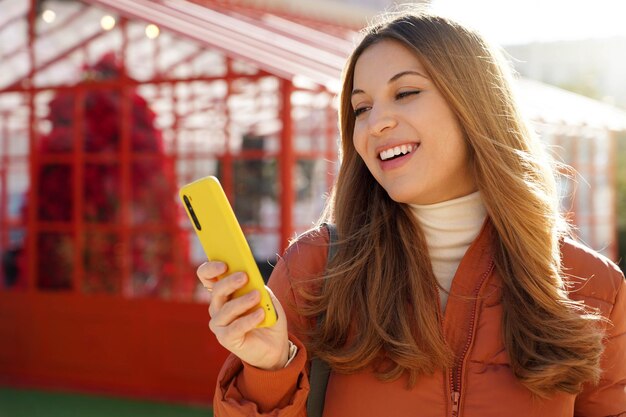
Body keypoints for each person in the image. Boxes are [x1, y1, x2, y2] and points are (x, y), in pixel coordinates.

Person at [197, 6, 626, 417]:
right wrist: (270, 368)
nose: (375, 122)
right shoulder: (315, 267)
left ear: (474, 105)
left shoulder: (597, 286)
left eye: (405, 93)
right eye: (361, 107)